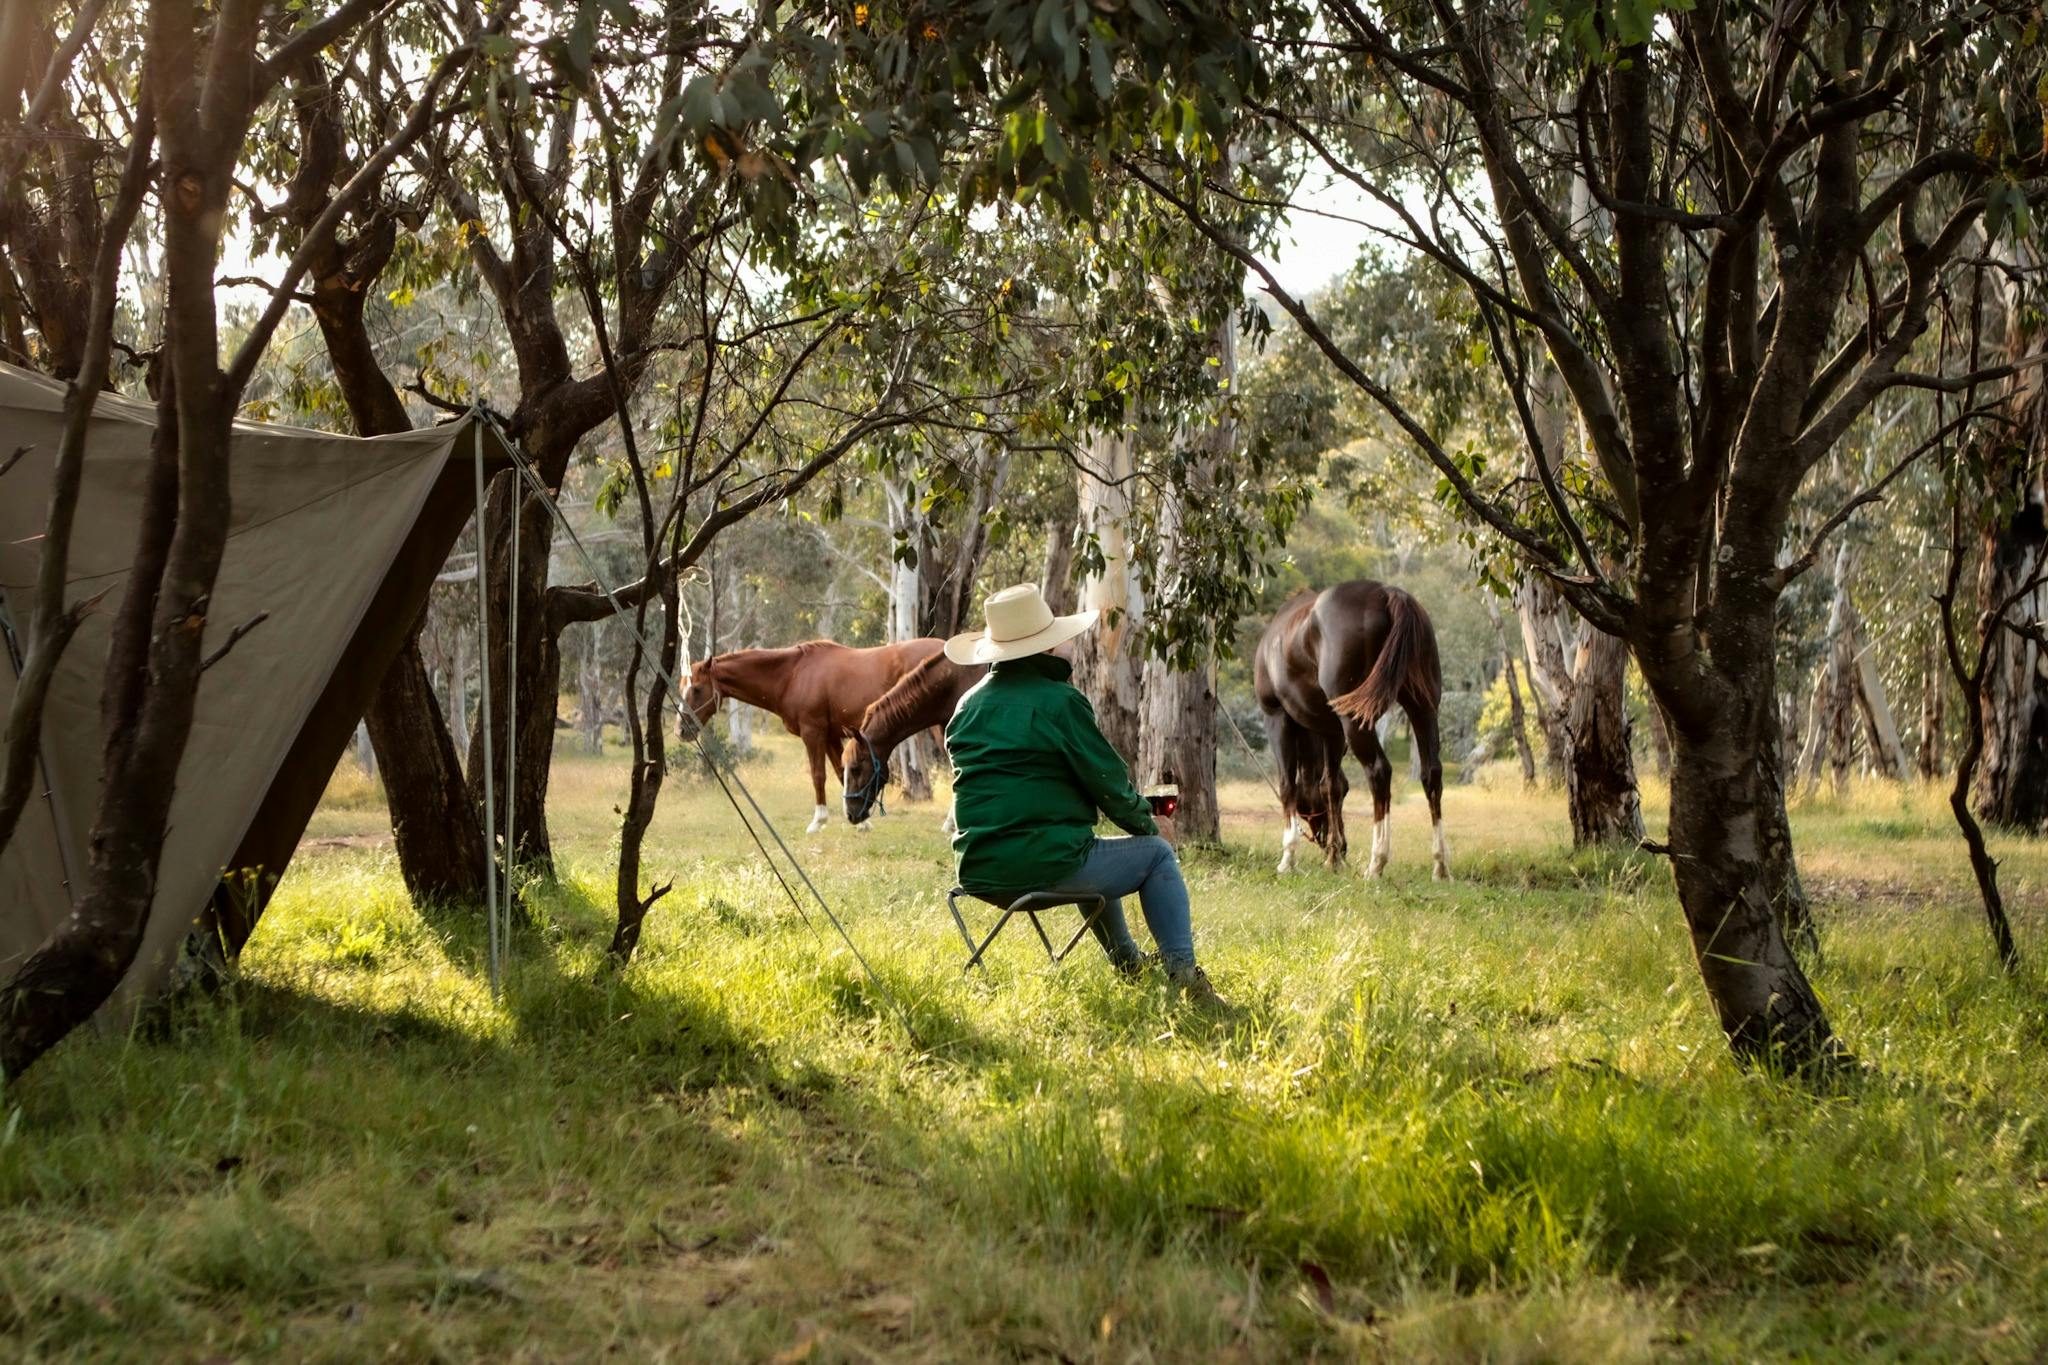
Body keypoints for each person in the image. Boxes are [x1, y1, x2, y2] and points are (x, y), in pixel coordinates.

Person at [942, 582, 1225, 1005]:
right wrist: (1150, 825)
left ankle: (1129, 963)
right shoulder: (1060, 703)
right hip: (1042, 866)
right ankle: (1184, 977)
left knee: (1088, 849)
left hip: (979, 871)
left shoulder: (966, 707)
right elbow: (1108, 784)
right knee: (1155, 855)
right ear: (1045, 649)